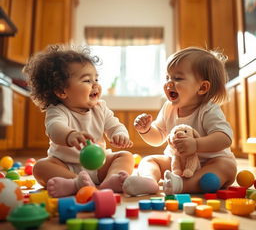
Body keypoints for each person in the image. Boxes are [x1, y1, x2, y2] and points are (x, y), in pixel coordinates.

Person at [23, 44, 134, 198]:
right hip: (65, 166)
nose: (95, 84)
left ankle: (110, 180)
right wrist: (69, 135)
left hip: (98, 164)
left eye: (96, 78)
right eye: (87, 80)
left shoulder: (100, 108)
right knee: (40, 167)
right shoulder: (57, 110)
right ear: (62, 91)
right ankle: (76, 183)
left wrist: (119, 134)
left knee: (125, 156)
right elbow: (54, 128)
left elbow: (114, 125)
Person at [122, 47, 237, 196]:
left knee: (226, 167)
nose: (169, 83)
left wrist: (196, 145)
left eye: (177, 78)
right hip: (178, 163)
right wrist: (146, 130)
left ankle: (181, 185)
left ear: (202, 87)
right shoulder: (168, 107)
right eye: (167, 77)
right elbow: (157, 138)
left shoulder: (208, 110)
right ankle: (149, 181)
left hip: (209, 163)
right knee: (149, 160)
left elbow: (224, 138)